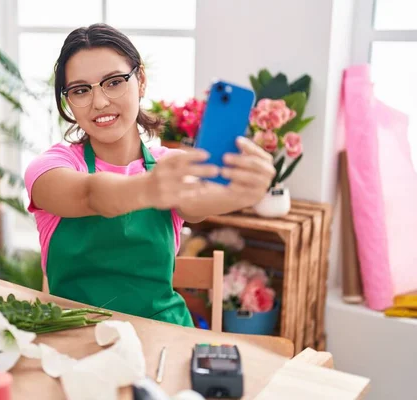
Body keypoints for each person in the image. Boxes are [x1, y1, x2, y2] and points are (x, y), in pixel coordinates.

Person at [24, 23, 275, 327]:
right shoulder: (50, 168)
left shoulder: (171, 166)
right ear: (68, 101)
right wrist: (150, 189)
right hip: (74, 335)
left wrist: (239, 194)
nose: (100, 102)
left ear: (140, 80)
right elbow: (90, 194)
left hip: (163, 335)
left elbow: (198, 202)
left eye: (114, 82)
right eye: (80, 90)